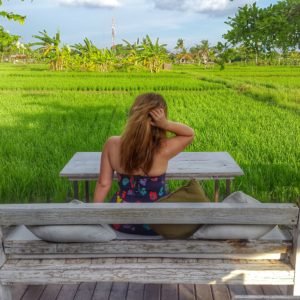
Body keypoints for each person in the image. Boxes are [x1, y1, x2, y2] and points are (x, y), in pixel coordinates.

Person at [93, 93, 194, 235]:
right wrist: (166, 124)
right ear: (158, 119)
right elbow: (189, 134)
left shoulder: (112, 144)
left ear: (132, 115)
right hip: (156, 223)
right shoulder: (164, 148)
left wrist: (93, 216)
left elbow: (103, 184)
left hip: (120, 221)